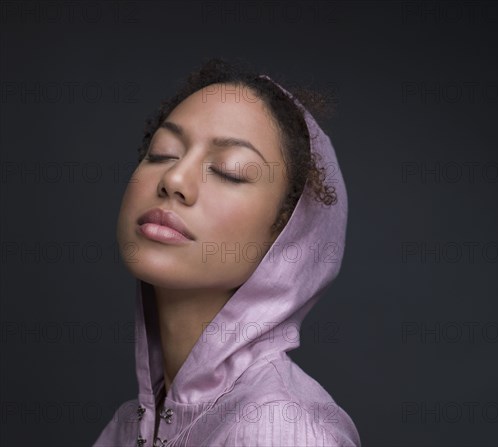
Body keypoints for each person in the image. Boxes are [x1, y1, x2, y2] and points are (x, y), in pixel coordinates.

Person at [93, 58, 360, 446]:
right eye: (162, 153)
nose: (174, 179)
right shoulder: (126, 427)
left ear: (287, 231)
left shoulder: (279, 430)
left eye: (229, 170)